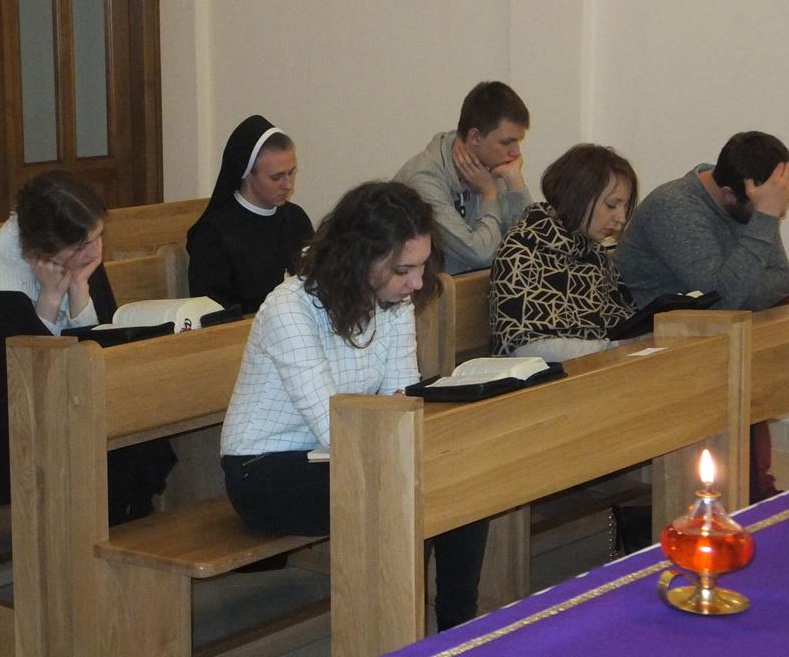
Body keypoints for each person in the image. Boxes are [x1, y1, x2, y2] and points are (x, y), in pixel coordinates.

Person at [220, 181, 489, 630]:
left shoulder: (393, 300)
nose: (417, 283)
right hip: (264, 468)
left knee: (457, 474)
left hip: (345, 452)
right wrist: (400, 440)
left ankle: (459, 629)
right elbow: (334, 427)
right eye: (404, 269)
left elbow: (404, 396)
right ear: (360, 258)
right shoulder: (289, 309)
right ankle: (396, 630)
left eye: (422, 266)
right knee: (407, 488)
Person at [0, 170, 176, 521]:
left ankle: (118, 530)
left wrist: (79, 291)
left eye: (98, 237)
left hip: (59, 393)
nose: (96, 250)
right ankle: (81, 536)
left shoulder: (79, 256)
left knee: (134, 428)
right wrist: (48, 300)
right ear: (44, 249)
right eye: (83, 245)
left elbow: (100, 342)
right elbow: (14, 374)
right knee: (87, 437)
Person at [615, 131, 789, 502]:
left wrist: (743, 274)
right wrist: (764, 218)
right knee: (740, 348)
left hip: (724, 323)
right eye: (773, 207)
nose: (778, 213)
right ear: (730, 194)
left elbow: (779, 277)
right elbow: (721, 298)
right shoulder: (675, 208)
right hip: (666, 336)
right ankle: (756, 497)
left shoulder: (751, 199)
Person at [490, 144, 638, 361]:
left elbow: (622, 321)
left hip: (597, 367)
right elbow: (524, 347)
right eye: (611, 205)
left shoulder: (594, 253)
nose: (621, 218)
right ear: (578, 197)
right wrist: (612, 348)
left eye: (624, 207)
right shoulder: (521, 250)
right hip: (544, 377)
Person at [394, 81, 533, 274]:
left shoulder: (492, 166)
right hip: (424, 291)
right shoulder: (423, 180)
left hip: (473, 288)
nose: (516, 152)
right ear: (475, 137)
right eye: (507, 142)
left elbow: (531, 246)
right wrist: (490, 194)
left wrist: (515, 183)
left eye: (518, 141)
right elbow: (480, 254)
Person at [187, 115, 313, 314]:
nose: (288, 185)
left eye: (291, 172)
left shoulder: (296, 218)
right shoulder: (213, 234)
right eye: (277, 177)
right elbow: (212, 313)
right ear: (247, 174)